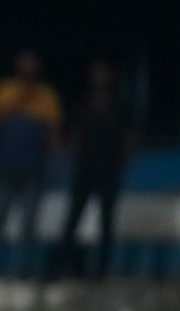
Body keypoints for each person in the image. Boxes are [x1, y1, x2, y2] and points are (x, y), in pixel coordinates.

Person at [0, 50, 61, 281]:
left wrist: (53, 164)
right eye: (24, 63)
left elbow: (53, 130)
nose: (28, 67)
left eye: (33, 63)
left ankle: (25, 269)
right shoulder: (5, 89)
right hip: (6, 166)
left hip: (34, 167)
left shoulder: (46, 94)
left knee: (29, 223)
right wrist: (20, 99)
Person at [52, 61, 134, 278]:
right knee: (72, 221)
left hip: (109, 171)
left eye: (104, 73)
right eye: (96, 73)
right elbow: (75, 137)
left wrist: (121, 165)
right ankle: (66, 267)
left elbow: (127, 139)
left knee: (106, 224)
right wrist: (71, 156)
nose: (100, 77)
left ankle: (102, 271)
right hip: (85, 170)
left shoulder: (120, 106)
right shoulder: (83, 106)